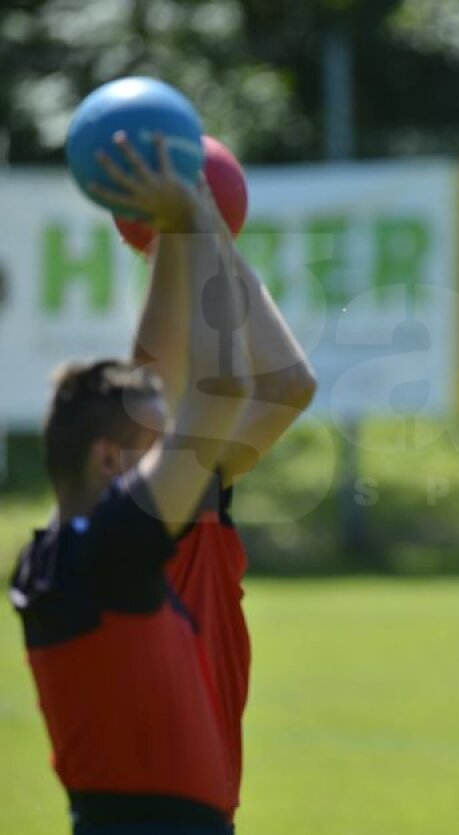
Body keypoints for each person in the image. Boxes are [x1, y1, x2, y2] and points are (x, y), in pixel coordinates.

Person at [9, 134, 253, 833]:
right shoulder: (114, 549)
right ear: (110, 462)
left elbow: (146, 376)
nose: (170, 452)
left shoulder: (50, 556)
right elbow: (228, 387)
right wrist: (198, 224)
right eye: (156, 445)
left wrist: (167, 242)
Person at [127, 135, 316, 816]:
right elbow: (226, 383)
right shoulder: (137, 514)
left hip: (206, 808)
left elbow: (289, 384)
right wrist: (194, 226)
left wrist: (203, 230)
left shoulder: (192, 495)